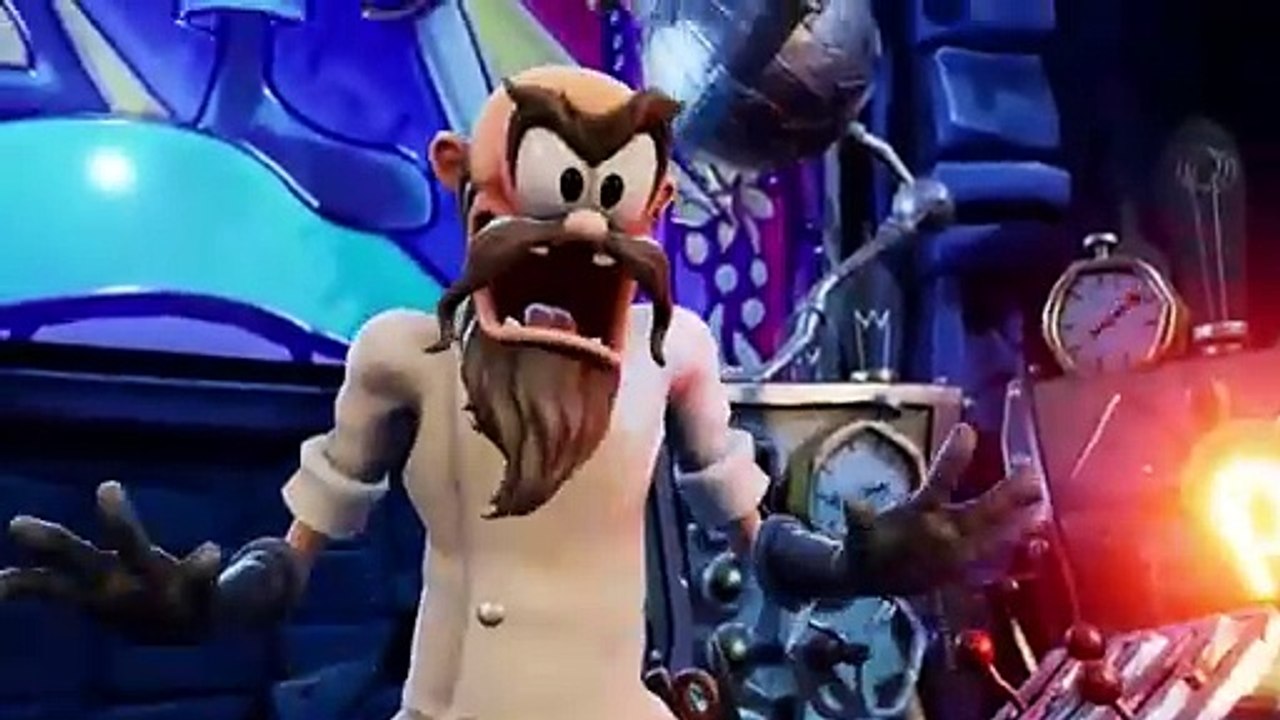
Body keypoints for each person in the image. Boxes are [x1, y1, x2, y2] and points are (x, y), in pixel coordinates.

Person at [0, 65, 1041, 720]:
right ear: (460, 175)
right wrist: (205, 602)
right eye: (552, 192)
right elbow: (294, 556)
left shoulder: (673, 350)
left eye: (610, 204)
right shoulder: (401, 356)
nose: (581, 232)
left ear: (654, 206)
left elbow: (756, 537)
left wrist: (857, 564)